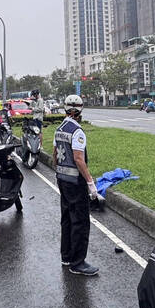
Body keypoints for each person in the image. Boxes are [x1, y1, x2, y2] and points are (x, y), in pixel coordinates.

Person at [52, 94, 98, 276]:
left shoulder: (59, 128)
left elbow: (55, 154)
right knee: (80, 221)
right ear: (81, 109)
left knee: (67, 218)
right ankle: (78, 263)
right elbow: (79, 159)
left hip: (62, 180)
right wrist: (90, 183)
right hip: (75, 182)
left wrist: (58, 170)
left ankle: (66, 256)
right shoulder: (77, 131)